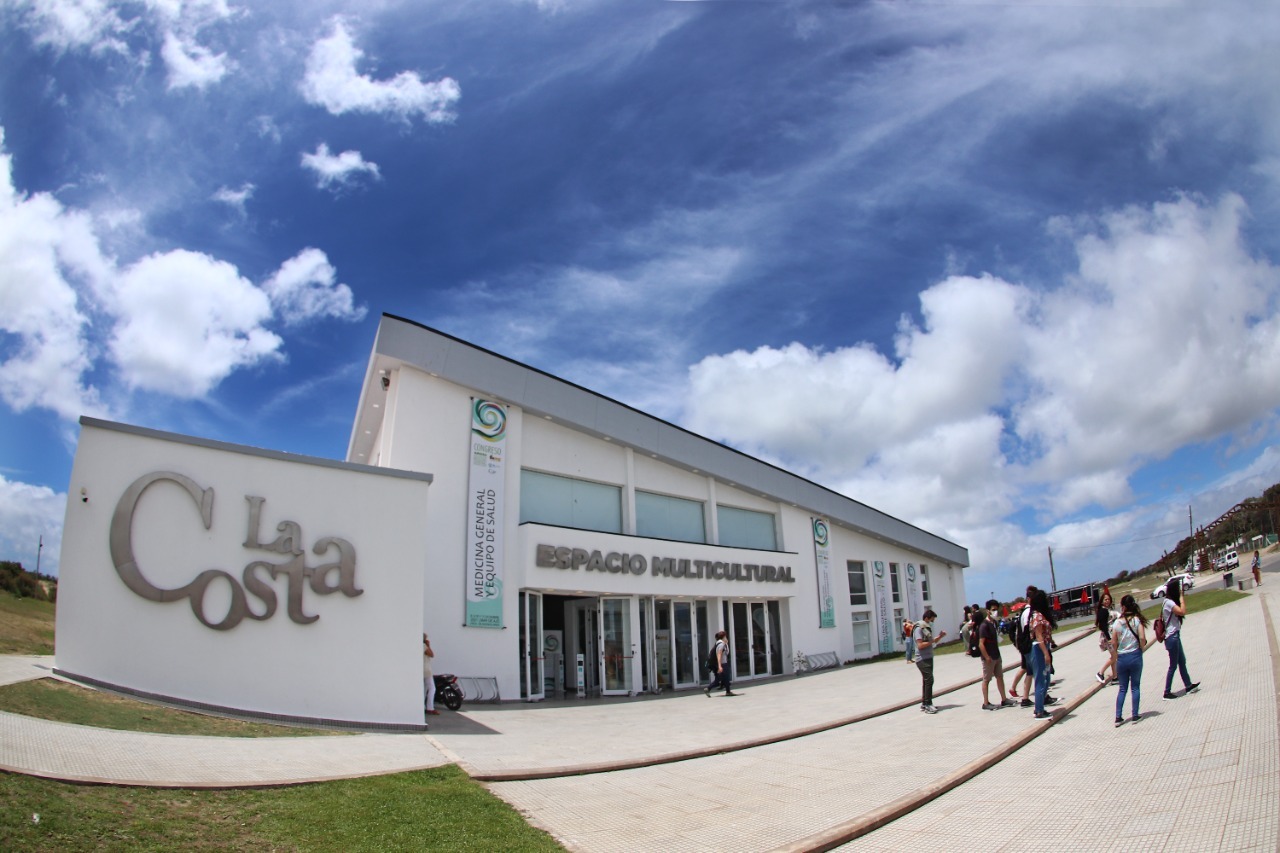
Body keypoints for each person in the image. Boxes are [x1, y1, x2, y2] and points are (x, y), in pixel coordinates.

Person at [1161, 578, 1201, 700]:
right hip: (1172, 637)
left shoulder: (1169, 601)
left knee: (1182, 662)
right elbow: (1182, 612)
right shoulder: (1168, 602)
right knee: (1173, 665)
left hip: (1175, 636)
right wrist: (1182, 598)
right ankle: (1166, 692)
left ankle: (1188, 685)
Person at [1110, 594, 1147, 726]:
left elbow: (1113, 642)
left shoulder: (1117, 623)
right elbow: (1142, 638)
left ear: (1123, 607)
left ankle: (1118, 717)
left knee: (1122, 688)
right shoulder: (1137, 620)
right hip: (1135, 655)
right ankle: (1135, 715)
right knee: (1135, 687)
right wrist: (1141, 648)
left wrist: (1116, 654)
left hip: (1122, 657)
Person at [977, 600, 1015, 710]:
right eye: (993, 610)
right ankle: (986, 702)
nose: (995, 612)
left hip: (996, 655)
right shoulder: (984, 625)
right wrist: (987, 657)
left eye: (996, 609)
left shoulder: (994, 623)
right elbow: (981, 644)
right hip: (988, 657)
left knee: (1000, 677)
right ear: (988, 611)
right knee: (986, 679)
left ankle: (1004, 699)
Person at [1027, 588, 1059, 720]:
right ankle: (1039, 710)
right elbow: (1039, 636)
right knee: (1040, 679)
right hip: (1039, 649)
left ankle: (1040, 707)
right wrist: (1046, 653)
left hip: (1043, 647)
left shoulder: (1040, 614)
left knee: (1046, 678)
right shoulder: (1037, 616)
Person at [913, 609, 947, 714]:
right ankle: (928, 704)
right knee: (929, 680)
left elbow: (931, 642)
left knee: (926, 681)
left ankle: (924, 703)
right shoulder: (919, 629)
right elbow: (920, 645)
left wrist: (940, 637)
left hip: (928, 657)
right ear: (926, 618)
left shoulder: (926, 629)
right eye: (931, 620)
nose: (931, 623)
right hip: (922, 659)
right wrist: (931, 641)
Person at [1094, 591, 1118, 685]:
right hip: (1108, 637)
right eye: (1105, 599)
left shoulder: (1107, 610)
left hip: (1111, 635)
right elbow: (1103, 626)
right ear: (1102, 601)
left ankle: (1115, 677)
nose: (1107, 601)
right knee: (1114, 656)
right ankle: (1100, 672)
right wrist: (1109, 639)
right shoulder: (1103, 611)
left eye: (1108, 599)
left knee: (1113, 656)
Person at [705, 630, 737, 697]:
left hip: (720, 664)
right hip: (722, 664)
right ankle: (727, 691)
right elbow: (719, 655)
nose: (726, 638)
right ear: (723, 637)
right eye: (725, 636)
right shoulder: (721, 644)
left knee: (721, 679)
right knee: (725, 678)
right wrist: (720, 666)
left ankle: (709, 688)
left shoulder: (720, 644)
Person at [423, 633, 439, 716]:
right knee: (432, 688)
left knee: (425, 689)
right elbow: (432, 654)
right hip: (426, 670)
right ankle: (430, 708)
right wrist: (428, 645)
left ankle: (423, 707)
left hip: (422, 670)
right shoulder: (424, 646)